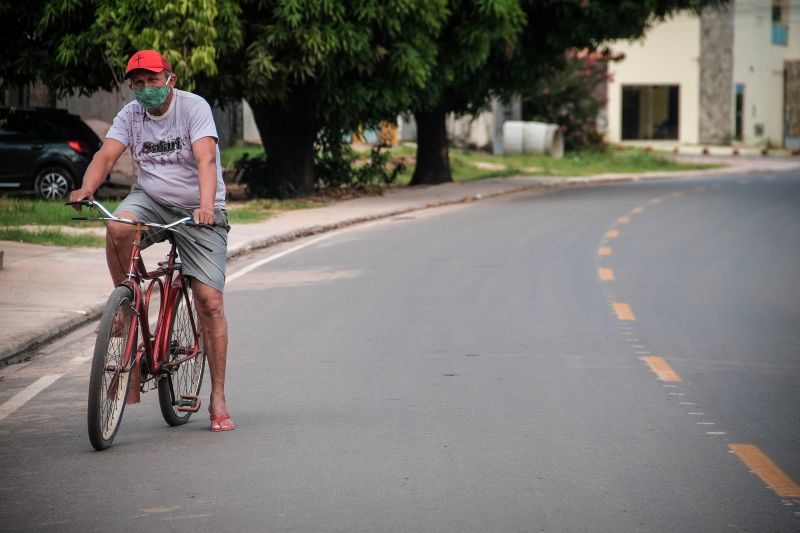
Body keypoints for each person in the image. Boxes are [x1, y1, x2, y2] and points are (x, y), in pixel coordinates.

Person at [69, 50, 234, 432]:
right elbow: (106, 155)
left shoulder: (194, 108)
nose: (145, 89)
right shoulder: (130, 115)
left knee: (209, 301)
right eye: (138, 83)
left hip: (198, 208)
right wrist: (86, 188)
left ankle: (218, 398)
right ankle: (126, 306)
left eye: (153, 81)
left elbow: (206, 159)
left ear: (170, 80)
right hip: (151, 200)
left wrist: (206, 206)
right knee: (117, 227)